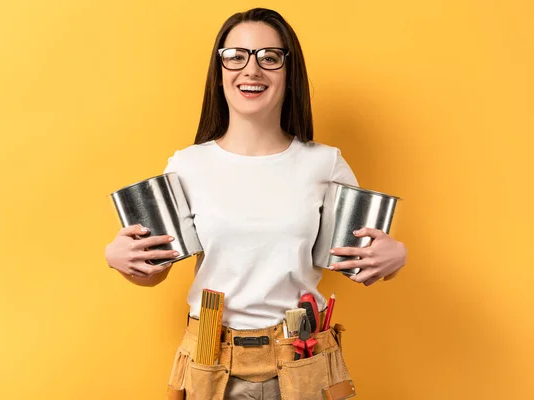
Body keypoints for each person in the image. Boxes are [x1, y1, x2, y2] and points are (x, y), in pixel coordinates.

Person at [104, 7, 407, 400]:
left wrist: (395, 257)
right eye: (236, 55)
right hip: (210, 362)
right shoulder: (187, 165)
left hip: (303, 363)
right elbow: (151, 272)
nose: (251, 69)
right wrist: (120, 256)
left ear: (289, 71)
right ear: (220, 70)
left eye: (269, 57)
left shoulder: (324, 163)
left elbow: (362, 265)